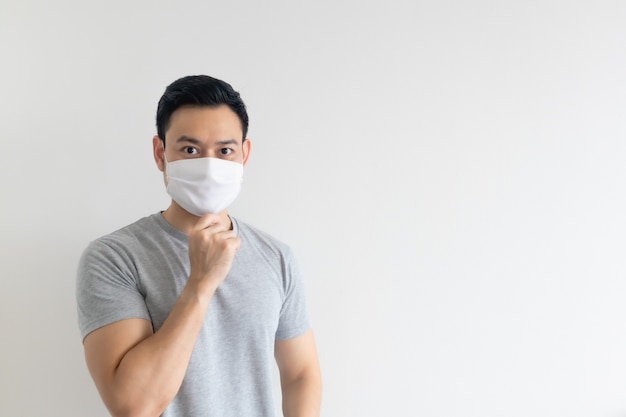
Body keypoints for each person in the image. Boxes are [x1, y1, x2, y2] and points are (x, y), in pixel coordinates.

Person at [76, 75, 321, 417]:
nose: (209, 165)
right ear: (161, 154)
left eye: (224, 151)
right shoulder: (114, 258)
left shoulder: (276, 256)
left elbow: (300, 373)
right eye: (190, 150)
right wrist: (200, 283)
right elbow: (133, 405)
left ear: (244, 155)